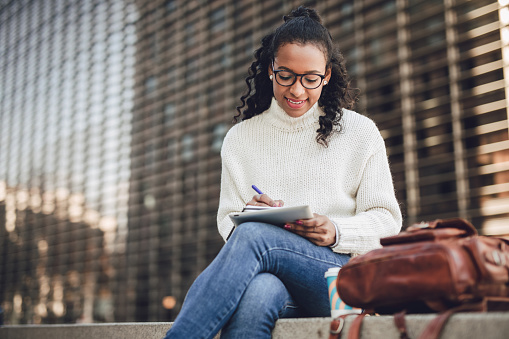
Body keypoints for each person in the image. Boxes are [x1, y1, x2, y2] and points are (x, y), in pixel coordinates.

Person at [164, 6, 402, 339]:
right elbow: (228, 220)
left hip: (341, 283)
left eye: (310, 79)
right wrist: (251, 214)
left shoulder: (360, 133)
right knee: (258, 292)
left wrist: (336, 230)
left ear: (327, 75)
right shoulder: (239, 139)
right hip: (278, 284)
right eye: (286, 75)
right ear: (270, 69)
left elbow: (387, 221)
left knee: (255, 236)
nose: (297, 91)